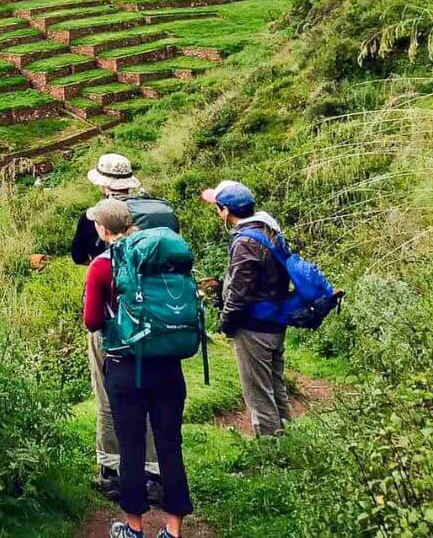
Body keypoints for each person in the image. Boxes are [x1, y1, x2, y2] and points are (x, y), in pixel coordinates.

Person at [84, 198, 193, 538]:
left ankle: (133, 528)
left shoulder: (102, 265)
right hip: (169, 366)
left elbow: (92, 322)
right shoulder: (160, 255)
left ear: (103, 229)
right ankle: (173, 531)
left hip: (126, 367)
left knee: (131, 446)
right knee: (170, 445)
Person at [73, 154, 174, 498]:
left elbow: (76, 255)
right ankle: (157, 472)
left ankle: (112, 470)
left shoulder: (95, 219)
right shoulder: (155, 216)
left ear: (102, 184)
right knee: (152, 397)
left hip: (112, 326)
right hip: (157, 322)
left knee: (107, 395)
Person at [200, 179, 292, 437]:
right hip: (275, 320)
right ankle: (291, 440)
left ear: (226, 211)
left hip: (254, 327)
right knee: (275, 384)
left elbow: (239, 292)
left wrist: (226, 324)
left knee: (258, 392)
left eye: (218, 207)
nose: (217, 212)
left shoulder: (244, 243)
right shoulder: (269, 230)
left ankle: (269, 451)